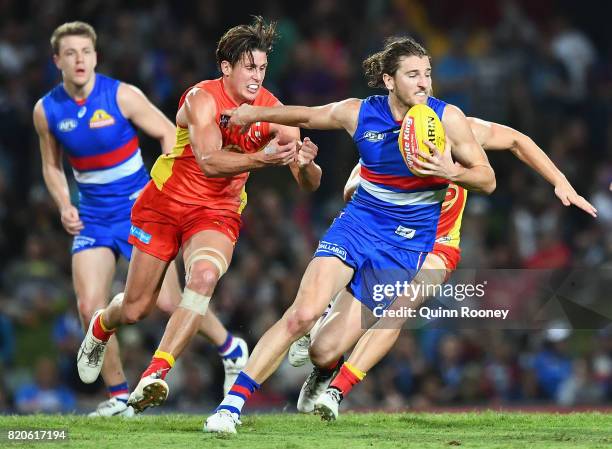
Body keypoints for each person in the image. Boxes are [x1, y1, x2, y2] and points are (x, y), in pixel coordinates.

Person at [205, 36, 496, 433]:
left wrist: (452, 172)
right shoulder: (358, 113)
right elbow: (306, 115)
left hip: (405, 246)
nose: (424, 83)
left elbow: (487, 178)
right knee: (301, 315)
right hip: (358, 225)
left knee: (325, 349)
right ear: (389, 80)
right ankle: (230, 407)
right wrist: (251, 113)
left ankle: (323, 373)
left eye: (427, 74)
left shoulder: (447, 119)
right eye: (413, 75)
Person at [75, 17, 322, 413]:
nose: (257, 77)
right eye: (249, 67)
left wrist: (306, 164)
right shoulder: (201, 99)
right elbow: (208, 161)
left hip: (218, 211)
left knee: (204, 277)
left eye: (262, 68)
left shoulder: (274, 111)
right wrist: (261, 158)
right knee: (137, 308)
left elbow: (308, 182)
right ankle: (101, 326)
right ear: (226, 67)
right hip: (166, 203)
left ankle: (154, 374)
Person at [289, 116, 598, 420]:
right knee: (322, 351)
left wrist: (559, 181)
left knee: (401, 307)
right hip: (396, 243)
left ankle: (337, 391)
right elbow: (348, 191)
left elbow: (518, 140)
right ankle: (326, 366)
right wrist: (382, 182)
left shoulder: (464, 131)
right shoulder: (386, 139)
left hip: (439, 247)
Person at [34, 21, 249, 416]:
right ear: (57, 60)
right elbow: (51, 165)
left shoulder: (122, 95)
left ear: (96, 57)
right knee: (88, 306)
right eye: (70, 53)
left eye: (86, 52)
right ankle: (118, 396)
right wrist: (64, 201)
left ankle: (230, 347)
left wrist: (173, 192)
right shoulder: (46, 110)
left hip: (140, 208)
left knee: (167, 301)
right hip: (94, 217)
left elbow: (171, 134)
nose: (79, 60)